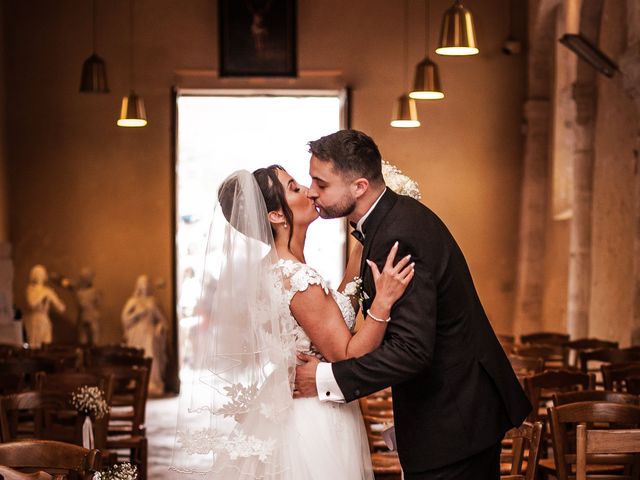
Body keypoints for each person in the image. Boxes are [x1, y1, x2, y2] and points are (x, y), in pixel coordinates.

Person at [294, 130, 532, 479]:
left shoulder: (398, 234)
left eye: (321, 183)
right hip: (451, 411)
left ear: (359, 186)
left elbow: (412, 350)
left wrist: (326, 378)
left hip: (456, 419)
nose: (312, 190)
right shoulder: (389, 221)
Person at [171, 168, 414, 479]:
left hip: (286, 403)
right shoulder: (299, 280)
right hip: (313, 414)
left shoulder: (272, 270)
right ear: (275, 215)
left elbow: (330, 315)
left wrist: (364, 238)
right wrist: (383, 303)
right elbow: (347, 355)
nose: (309, 191)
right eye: (295, 187)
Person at [121, 274, 168, 395]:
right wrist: (137, 314)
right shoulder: (133, 301)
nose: (145, 286)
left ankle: (152, 382)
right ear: (138, 286)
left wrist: (159, 326)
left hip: (149, 333)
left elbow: (163, 320)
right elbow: (125, 319)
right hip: (136, 334)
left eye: (147, 284)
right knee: (137, 356)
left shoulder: (153, 302)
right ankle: (137, 381)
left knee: (151, 355)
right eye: (142, 284)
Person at [24, 264, 66, 348]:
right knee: (34, 344)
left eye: (41, 274)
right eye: (38, 274)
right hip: (34, 320)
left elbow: (62, 308)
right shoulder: (30, 289)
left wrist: (56, 299)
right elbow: (32, 304)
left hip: (44, 320)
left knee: (46, 344)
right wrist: (43, 295)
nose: (40, 277)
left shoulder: (47, 291)